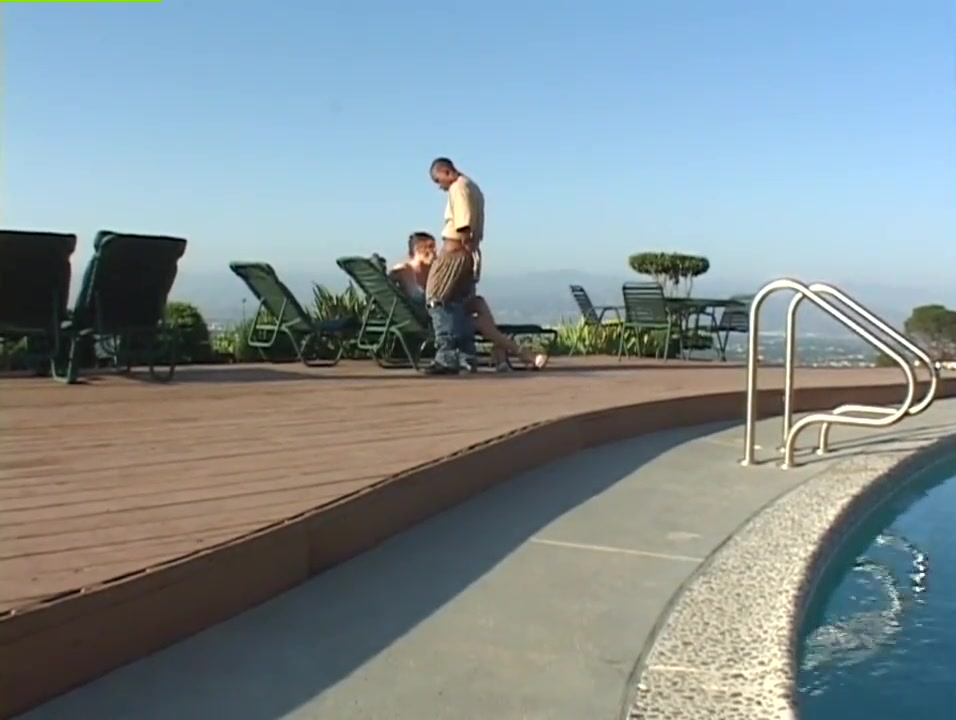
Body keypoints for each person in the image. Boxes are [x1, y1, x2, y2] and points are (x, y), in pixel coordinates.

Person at [391, 232, 546, 371]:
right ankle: (517, 353)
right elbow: (418, 296)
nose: (435, 252)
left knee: (478, 302)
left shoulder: (432, 271)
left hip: (444, 312)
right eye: (430, 247)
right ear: (417, 249)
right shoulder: (404, 270)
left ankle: (503, 350)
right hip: (431, 319)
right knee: (480, 322)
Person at [430, 157, 484, 284]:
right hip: (468, 250)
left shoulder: (458, 187)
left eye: (438, 180)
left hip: (455, 249)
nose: (440, 186)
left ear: (447, 172)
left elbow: (463, 220)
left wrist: (465, 241)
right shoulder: (472, 186)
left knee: (435, 290)